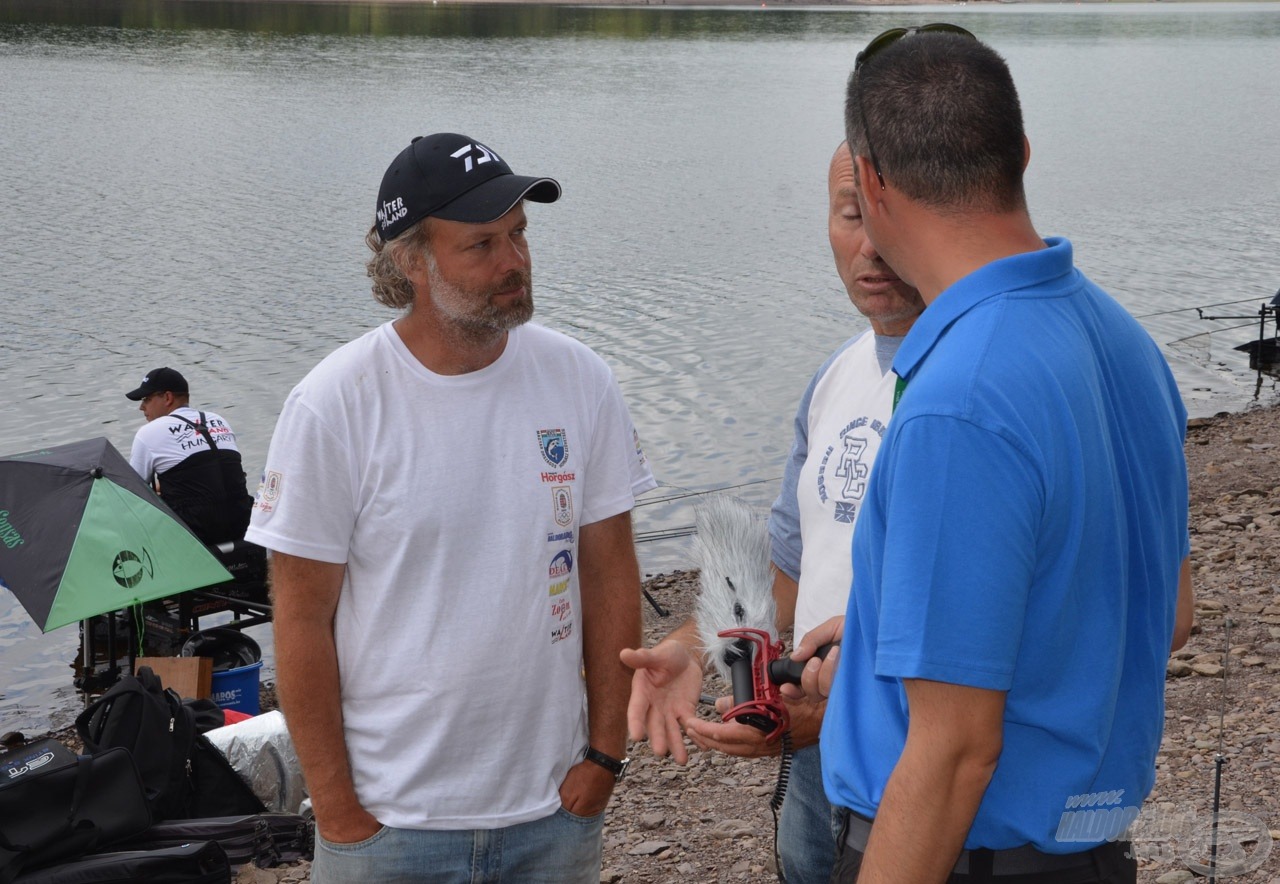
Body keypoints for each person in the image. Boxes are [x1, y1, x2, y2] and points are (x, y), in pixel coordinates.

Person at [793, 25, 1194, 884]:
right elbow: (1165, 613)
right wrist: (880, 642)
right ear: (1019, 151)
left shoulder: (957, 400)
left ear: (872, 180)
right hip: (1085, 853)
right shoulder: (1123, 341)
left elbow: (954, 756)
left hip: (968, 857)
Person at [244, 133, 656, 884]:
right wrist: (339, 813)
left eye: (520, 234)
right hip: (392, 826)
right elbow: (301, 620)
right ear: (411, 262)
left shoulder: (580, 379)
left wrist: (603, 755)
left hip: (552, 814)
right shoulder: (336, 404)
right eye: (482, 245)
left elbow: (609, 573)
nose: (514, 262)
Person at [620, 142, 925, 884]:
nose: (870, 244)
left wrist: (845, 708)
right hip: (817, 756)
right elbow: (788, 567)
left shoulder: (973, 382)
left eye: (891, 215)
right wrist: (696, 648)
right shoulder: (836, 376)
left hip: (926, 762)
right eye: (850, 214)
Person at [125, 366, 253, 546]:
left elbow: (130, 493)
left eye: (147, 398)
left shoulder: (149, 432)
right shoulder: (218, 419)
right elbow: (212, 471)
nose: (141, 407)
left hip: (197, 533)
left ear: (167, 398)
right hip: (242, 522)